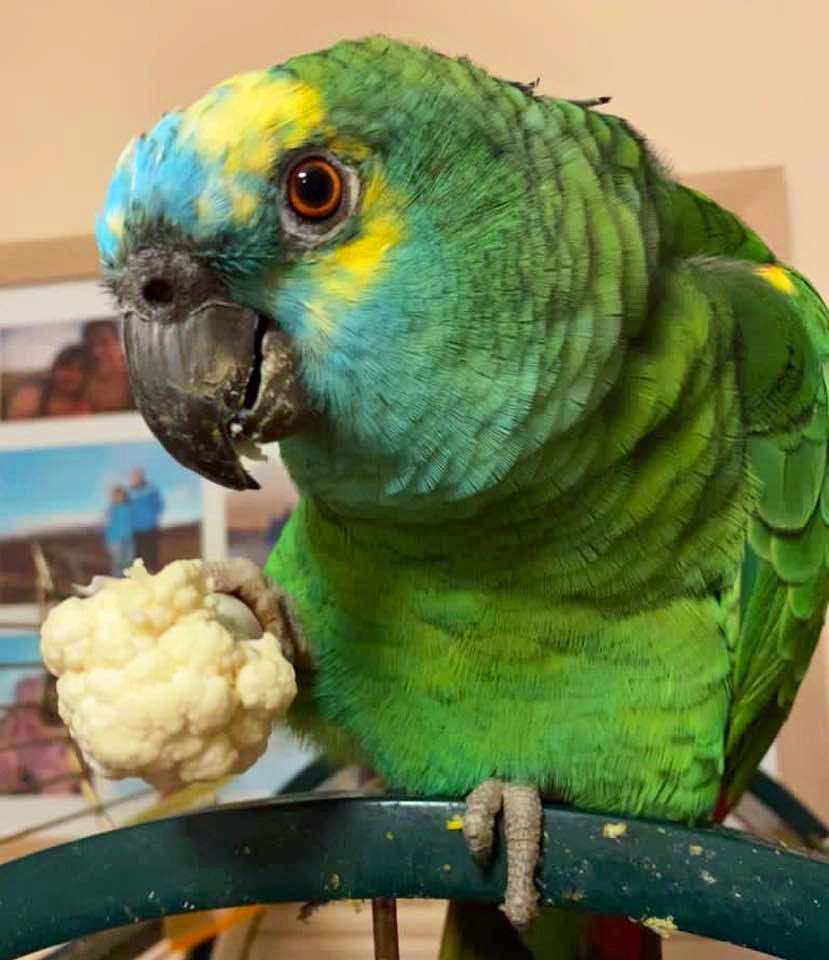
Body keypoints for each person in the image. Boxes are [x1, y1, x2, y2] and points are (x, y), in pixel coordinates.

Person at [5, 345, 92, 420]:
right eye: (66, 366)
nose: (72, 374)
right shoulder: (30, 396)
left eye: (81, 369)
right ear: (54, 369)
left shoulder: (85, 406)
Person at [82, 319, 132, 412]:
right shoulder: (81, 382)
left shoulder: (138, 379)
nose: (96, 352)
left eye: (104, 342)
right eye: (90, 345)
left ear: (120, 342)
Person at [128, 468, 164, 571]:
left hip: (150, 527)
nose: (135, 479)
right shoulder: (129, 492)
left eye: (137, 477)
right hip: (135, 529)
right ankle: (140, 577)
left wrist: (152, 517)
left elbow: (159, 505)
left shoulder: (151, 489)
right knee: (138, 556)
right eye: (133, 477)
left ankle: (152, 573)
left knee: (152, 554)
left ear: (142, 477)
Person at [104, 485, 135, 576]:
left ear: (124, 496)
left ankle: (128, 584)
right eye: (116, 496)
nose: (118, 497)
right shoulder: (111, 509)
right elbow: (107, 524)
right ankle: (117, 583)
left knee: (129, 563)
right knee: (119, 564)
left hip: (128, 539)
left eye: (121, 495)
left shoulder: (129, 508)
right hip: (115, 540)